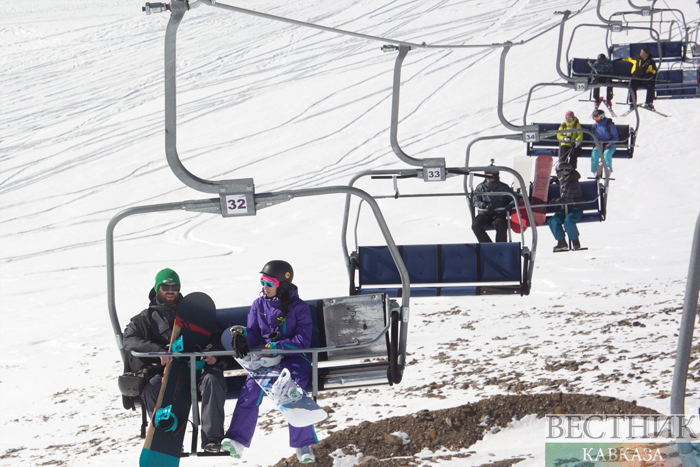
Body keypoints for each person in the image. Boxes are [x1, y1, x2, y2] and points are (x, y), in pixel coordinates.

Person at [222, 260, 317, 464]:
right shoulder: (259, 305)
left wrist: (277, 346)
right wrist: (242, 336)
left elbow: (303, 340)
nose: (264, 287)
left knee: (291, 388)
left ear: (282, 285)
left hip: (294, 359)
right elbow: (254, 333)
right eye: (262, 282)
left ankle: (303, 444)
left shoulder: (299, 308)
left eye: (269, 283)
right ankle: (237, 440)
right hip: (266, 361)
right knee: (250, 390)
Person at [122, 268, 227, 452]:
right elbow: (129, 340)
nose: (170, 291)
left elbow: (217, 335)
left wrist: (212, 353)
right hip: (169, 372)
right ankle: (166, 438)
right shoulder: (145, 318)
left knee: (213, 380)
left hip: (198, 368)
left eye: (174, 287)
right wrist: (158, 352)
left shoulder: (194, 312)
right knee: (152, 388)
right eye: (165, 287)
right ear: (157, 289)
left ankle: (212, 438)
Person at [471, 168, 517, 243]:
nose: (488, 178)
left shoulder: (503, 187)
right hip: (485, 213)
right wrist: (484, 205)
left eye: (490, 176)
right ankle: (487, 245)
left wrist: (510, 205)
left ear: (495, 176)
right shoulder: (481, 187)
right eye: (486, 176)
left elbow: (514, 198)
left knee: (501, 223)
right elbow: (475, 200)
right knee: (476, 225)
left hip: (499, 213)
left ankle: (500, 245)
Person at [548, 162, 584, 252]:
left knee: (568, 221)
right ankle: (561, 243)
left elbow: (566, 199)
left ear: (564, 172)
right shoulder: (565, 179)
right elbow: (563, 184)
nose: (558, 175)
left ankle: (576, 243)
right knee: (554, 220)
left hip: (575, 208)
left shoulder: (572, 183)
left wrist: (554, 201)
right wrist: (555, 180)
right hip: (565, 208)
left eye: (559, 173)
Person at [623, 46, 657, 110]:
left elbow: (653, 71)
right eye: (641, 51)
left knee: (651, 86)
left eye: (642, 52)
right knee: (632, 86)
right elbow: (628, 59)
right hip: (636, 78)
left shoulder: (650, 62)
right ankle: (633, 103)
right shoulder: (636, 58)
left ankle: (649, 103)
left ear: (646, 54)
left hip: (644, 79)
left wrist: (648, 75)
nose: (640, 53)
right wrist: (619, 60)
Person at [589, 108, 619, 174]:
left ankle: (608, 170)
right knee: (595, 153)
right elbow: (592, 137)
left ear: (601, 117)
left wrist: (609, 144)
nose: (595, 119)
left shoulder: (609, 125)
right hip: (599, 144)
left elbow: (616, 137)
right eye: (594, 118)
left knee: (607, 153)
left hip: (610, 145)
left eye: (596, 117)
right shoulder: (595, 126)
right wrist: (596, 143)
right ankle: (595, 170)